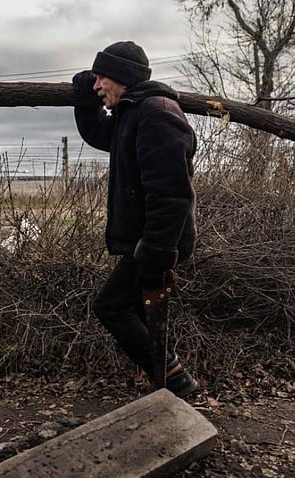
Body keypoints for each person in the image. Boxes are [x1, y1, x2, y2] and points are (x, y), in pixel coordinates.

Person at [71, 41, 199, 398]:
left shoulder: (157, 114)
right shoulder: (133, 113)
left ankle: (176, 382)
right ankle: (169, 384)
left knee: (110, 307)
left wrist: (156, 254)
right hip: (147, 240)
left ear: (123, 78)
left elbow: (171, 195)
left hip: (156, 241)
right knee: (140, 312)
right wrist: (83, 99)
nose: (97, 85)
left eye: (101, 78)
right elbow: (100, 134)